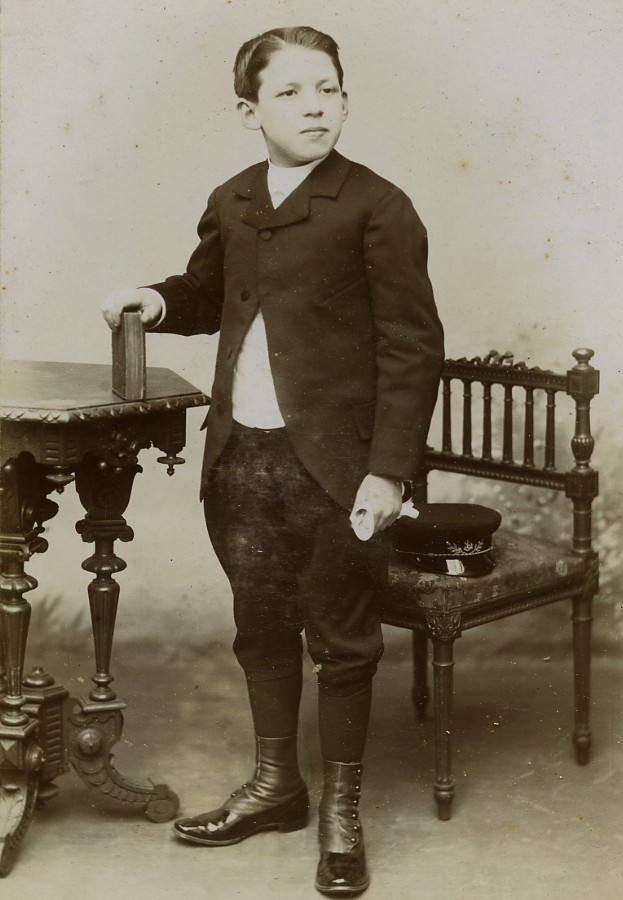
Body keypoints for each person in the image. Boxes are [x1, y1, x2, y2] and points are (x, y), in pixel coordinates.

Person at [102, 25, 444, 896]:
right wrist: (157, 300)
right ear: (249, 111)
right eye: (289, 92)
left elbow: (412, 349)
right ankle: (275, 787)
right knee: (260, 625)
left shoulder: (377, 205)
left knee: (342, 638)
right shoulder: (233, 198)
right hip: (240, 457)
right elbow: (207, 294)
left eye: (327, 89)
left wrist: (388, 471)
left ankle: (340, 812)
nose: (314, 107)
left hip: (336, 468)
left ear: (345, 99)